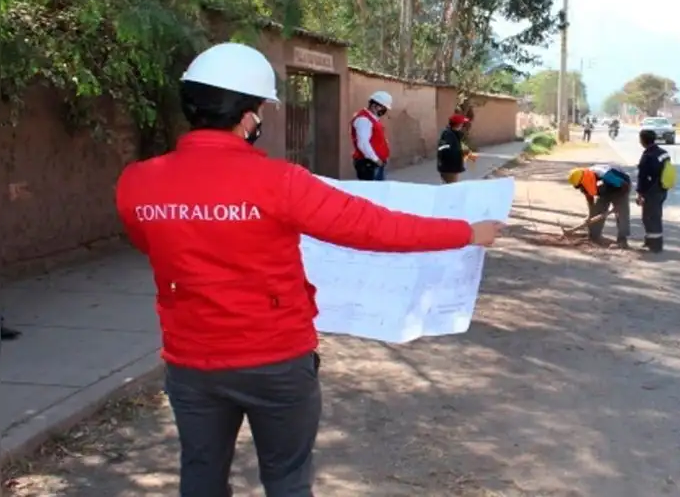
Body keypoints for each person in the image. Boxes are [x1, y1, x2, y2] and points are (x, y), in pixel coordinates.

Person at [114, 42, 505, 497]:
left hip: (191, 364)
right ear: (246, 117)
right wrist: (465, 233)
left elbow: (154, 244)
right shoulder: (281, 183)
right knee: (287, 481)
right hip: (276, 362)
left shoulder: (137, 183)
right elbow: (374, 227)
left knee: (200, 475)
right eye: (260, 110)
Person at [567, 165, 632, 248]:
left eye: (580, 186)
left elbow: (624, 186)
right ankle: (594, 236)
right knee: (598, 210)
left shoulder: (604, 174)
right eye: (578, 187)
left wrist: (619, 205)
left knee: (621, 214)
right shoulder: (585, 183)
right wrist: (590, 215)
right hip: (606, 189)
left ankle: (622, 241)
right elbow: (590, 199)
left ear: (583, 180)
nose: (581, 188)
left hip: (621, 186)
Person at [636, 128, 671, 252]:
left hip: (651, 192)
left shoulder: (647, 156)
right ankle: (652, 242)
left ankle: (655, 246)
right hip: (662, 189)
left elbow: (642, 177)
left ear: (643, 140)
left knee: (649, 218)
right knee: (656, 216)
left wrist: (639, 194)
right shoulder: (664, 153)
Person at [350, 90, 393, 180]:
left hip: (374, 163)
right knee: (373, 191)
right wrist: (376, 160)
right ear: (374, 105)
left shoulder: (372, 118)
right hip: (369, 164)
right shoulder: (364, 119)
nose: (384, 111)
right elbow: (363, 144)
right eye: (383, 108)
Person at [437, 113, 475, 184]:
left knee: (450, 188)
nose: (463, 125)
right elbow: (443, 149)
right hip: (449, 168)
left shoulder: (453, 134)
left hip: (451, 168)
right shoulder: (448, 134)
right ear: (458, 125)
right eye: (462, 124)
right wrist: (458, 153)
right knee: (451, 189)